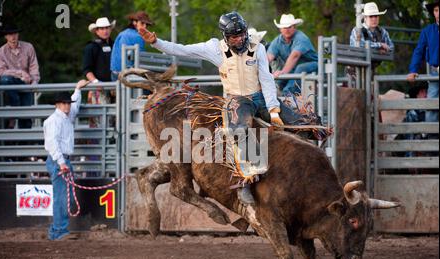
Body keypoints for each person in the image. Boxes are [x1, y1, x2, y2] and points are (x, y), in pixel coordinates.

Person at [138, 11, 284, 207]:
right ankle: (246, 181)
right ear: (226, 36)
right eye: (234, 36)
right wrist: (156, 42)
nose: (239, 39)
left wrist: (274, 108)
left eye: (241, 34)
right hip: (237, 101)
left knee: (299, 121)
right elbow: (181, 49)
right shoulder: (215, 49)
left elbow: (266, 78)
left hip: (260, 96)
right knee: (238, 130)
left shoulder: (257, 48)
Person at [44, 79, 89, 240]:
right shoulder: (53, 121)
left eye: (68, 103)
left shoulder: (66, 116)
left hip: (62, 161)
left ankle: (57, 230)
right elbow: (52, 144)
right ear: (58, 105)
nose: (68, 106)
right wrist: (62, 163)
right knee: (62, 196)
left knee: (63, 196)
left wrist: (77, 89)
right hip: (59, 161)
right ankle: (58, 231)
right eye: (64, 103)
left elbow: (75, 106)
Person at [0, 24, 40, 129]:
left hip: (26, 84)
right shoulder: (1, 52)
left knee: (26, 119)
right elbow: (2, 71)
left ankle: (24, 143)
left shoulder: (28, 47)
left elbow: (34, 67)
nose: (13, 37)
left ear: (18, 34)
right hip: (12, 84)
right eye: (10, 35)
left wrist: (34, 83)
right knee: (5, 79)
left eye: (15, 34)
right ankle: (16, 107)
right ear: (5, 37)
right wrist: (20, 73)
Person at [267, 14, 318, 95]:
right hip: (293, 70)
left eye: (289, 27)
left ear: (294, 27)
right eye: (284, 27)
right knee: (278, 78)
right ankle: (274, 92)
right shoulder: (277, 41)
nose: (287, 30)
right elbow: (268, 57)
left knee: (299, 68)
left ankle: (287, 94)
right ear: (280, 29)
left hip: (315, 67)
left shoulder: (301, 38)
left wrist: (282, 72)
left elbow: (294, 56)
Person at [407, 0, 439, 128]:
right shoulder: (428, 31)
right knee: (431, 102)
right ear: (433, 13)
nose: (439, 13)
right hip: (434, 71)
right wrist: (413, 69)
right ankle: (431, 137)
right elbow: (419, 51)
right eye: (436, 10)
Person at [110, 11, 154, 81]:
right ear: (134, 22)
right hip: (128, 75)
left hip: (115, 74)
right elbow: (141, 58)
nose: (145, 26)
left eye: (146, 24)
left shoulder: (123, 33)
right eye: (142, 23)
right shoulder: (138, 36)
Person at [83, 17, 115, 105]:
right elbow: (87, 69)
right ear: (97, 31)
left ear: (110, 29)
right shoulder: (91, 47)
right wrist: (96, 82)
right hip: (99, 89)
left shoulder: (115, 46)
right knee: (100, 116)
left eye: (107, 28)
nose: (105, 31)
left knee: (117, 116)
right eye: (102, 28)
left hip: (115, 88)